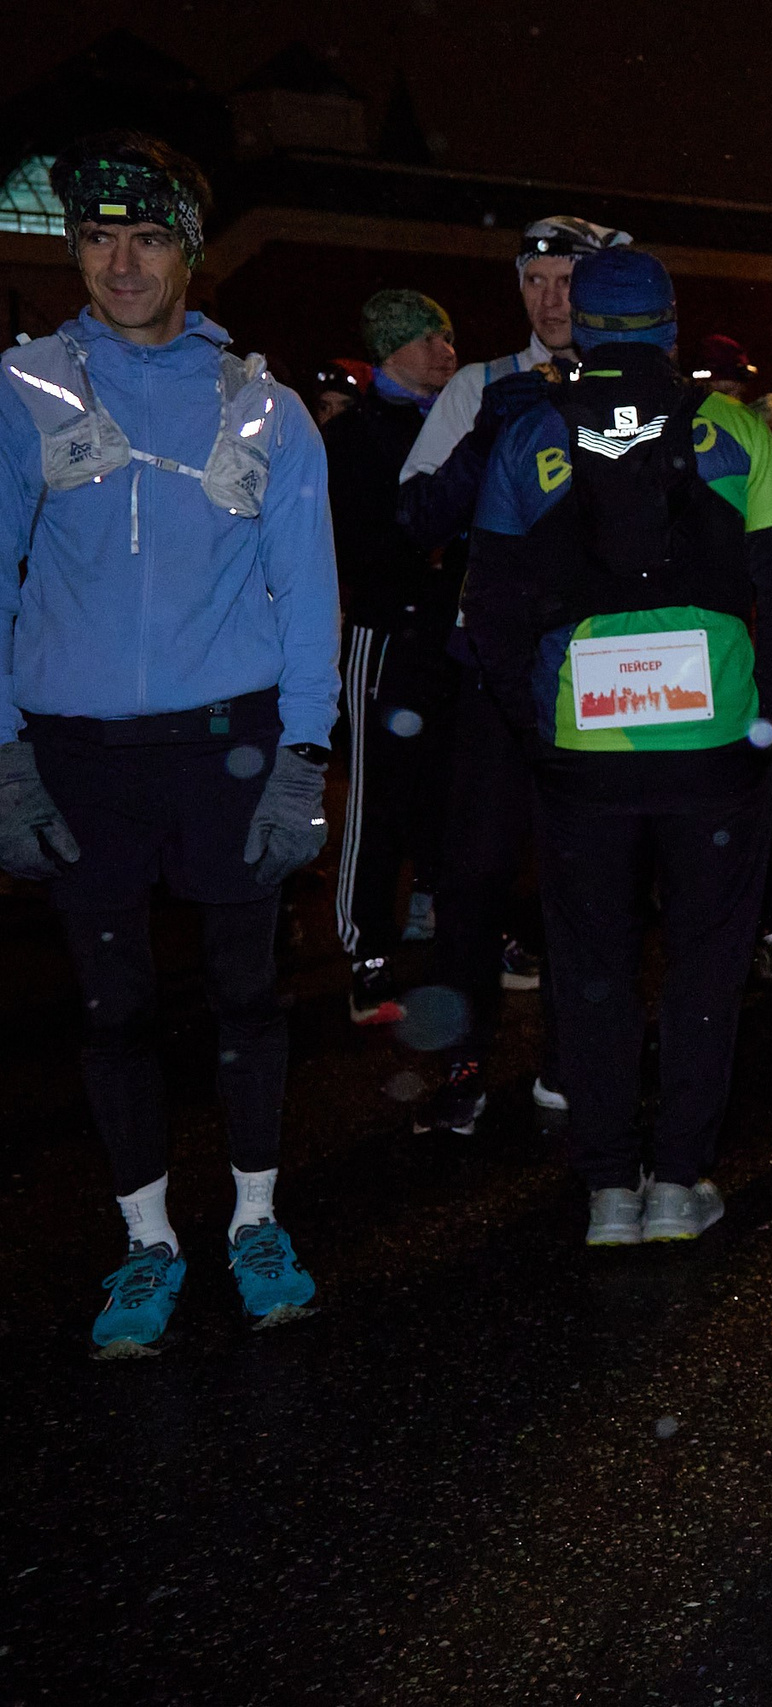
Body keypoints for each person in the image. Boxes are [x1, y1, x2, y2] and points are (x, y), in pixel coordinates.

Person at [0, 134, 337, 1353]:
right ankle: (146, 1242)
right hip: (80, 752)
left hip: (228, 748)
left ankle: (256, 1220)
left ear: (189, 249)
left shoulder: (264, 405)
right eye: (96, 236)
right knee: (112, 1010)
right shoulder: (24, 388)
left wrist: (304, 754)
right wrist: (4, 753)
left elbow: (308, 595)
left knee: (248, 997)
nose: (121, 262)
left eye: (147, 237)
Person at [459, 248, 772, 1245]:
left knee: (593, 966)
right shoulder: (736, 429)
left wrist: (534, 725)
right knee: (707, 964)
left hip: (583, 750)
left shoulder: (531, 432)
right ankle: (678, 1183)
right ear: (668, 326)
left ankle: (608, 1188)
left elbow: (488, 607)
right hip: (713, 746)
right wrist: (771, 720)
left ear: (584, 325)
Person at [395, 214, 630, 1137]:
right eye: (534, 280)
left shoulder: (634, 376)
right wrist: (485, 435)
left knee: (589, 873)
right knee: (476, 873)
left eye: (569, 278)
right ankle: (461, 1053)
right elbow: (415, 518)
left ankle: (575, 1055)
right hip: (493, 664)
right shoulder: (476, 384)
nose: (552, 298)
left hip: (601, 662)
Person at [328, 289, 461, 1024]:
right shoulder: (357, 437)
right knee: (377, 796)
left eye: (448, 337)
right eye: (431, 339)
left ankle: (458, 930)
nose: (446, 351)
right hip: (386, 636)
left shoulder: (455, 422)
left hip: (444, 636)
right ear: (393, 349)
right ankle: (366, 950)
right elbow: (370, 542)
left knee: (449, 791)